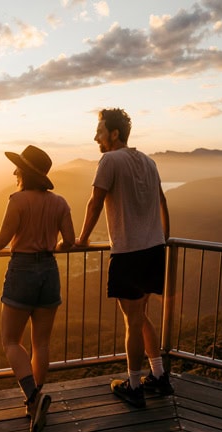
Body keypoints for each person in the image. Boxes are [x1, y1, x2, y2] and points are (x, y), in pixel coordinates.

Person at [0, 145, 75, 432]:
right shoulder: (60, 202)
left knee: (10, 341)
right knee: (40, 343)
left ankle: (33, 396)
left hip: (23, 271)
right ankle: (34, 406)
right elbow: (68, 240)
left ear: (25, 173)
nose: (14, 171)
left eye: (17, 167)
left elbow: (3, 238)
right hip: (50, 272)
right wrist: (53, 246)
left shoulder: (17, 200)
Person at [75, 108, 173, 408]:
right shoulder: (149, 160)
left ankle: (133, 386)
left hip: (129, 252)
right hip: (154, 249)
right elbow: (162, 201)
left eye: (99, 131)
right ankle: (158, 375)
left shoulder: (109, 160)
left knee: (132, 321)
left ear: (114, 134)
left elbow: (95, 202)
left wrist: (82, 239)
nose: (96, 137)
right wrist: (165, 239)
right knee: (142, 315)